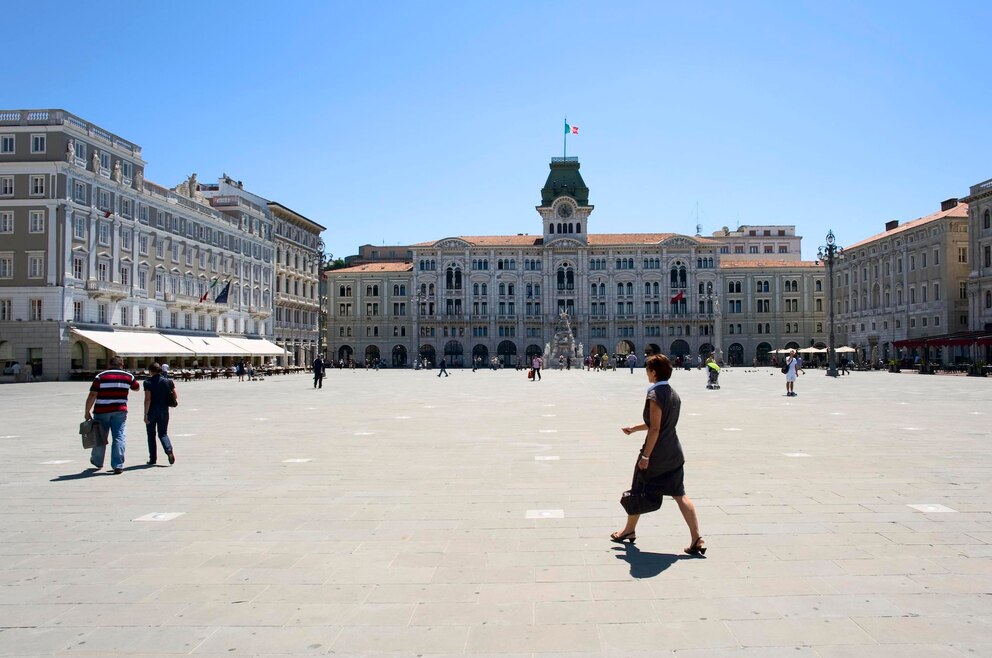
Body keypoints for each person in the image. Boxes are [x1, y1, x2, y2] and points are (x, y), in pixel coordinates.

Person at [612, 354, 705, 555]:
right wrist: (633, 428)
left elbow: (655, 429)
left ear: (653, 372)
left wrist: (645, 457)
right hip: (674, 451)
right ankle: (696, 537)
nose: (646, 372)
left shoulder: (654, 394)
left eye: (647, 369)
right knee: (680, 495)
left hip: (656, 454)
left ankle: (628, 530)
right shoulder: (674, 394)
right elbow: (658, 424)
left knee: (638, 490)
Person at [84, 355, 140, 474]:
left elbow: (92, 394)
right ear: (122, 365)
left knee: (100, 436)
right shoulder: (128, 376)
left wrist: (87, 411)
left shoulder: (100, 376)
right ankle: (118, 464)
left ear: (109, 364)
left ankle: (97, 461)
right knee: (119, 436)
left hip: (101, 411)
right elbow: (136, 388)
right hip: (120, 410)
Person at [143, 362, 176, 466]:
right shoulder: (168, 382)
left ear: (151, 371)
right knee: (163, 433)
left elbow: (148, 399)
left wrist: (145, 414)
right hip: (164, 410)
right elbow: (175, 395)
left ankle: (153, 459)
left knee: (151, 435)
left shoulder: (147, 382)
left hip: (152, 411)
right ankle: (169, 450)